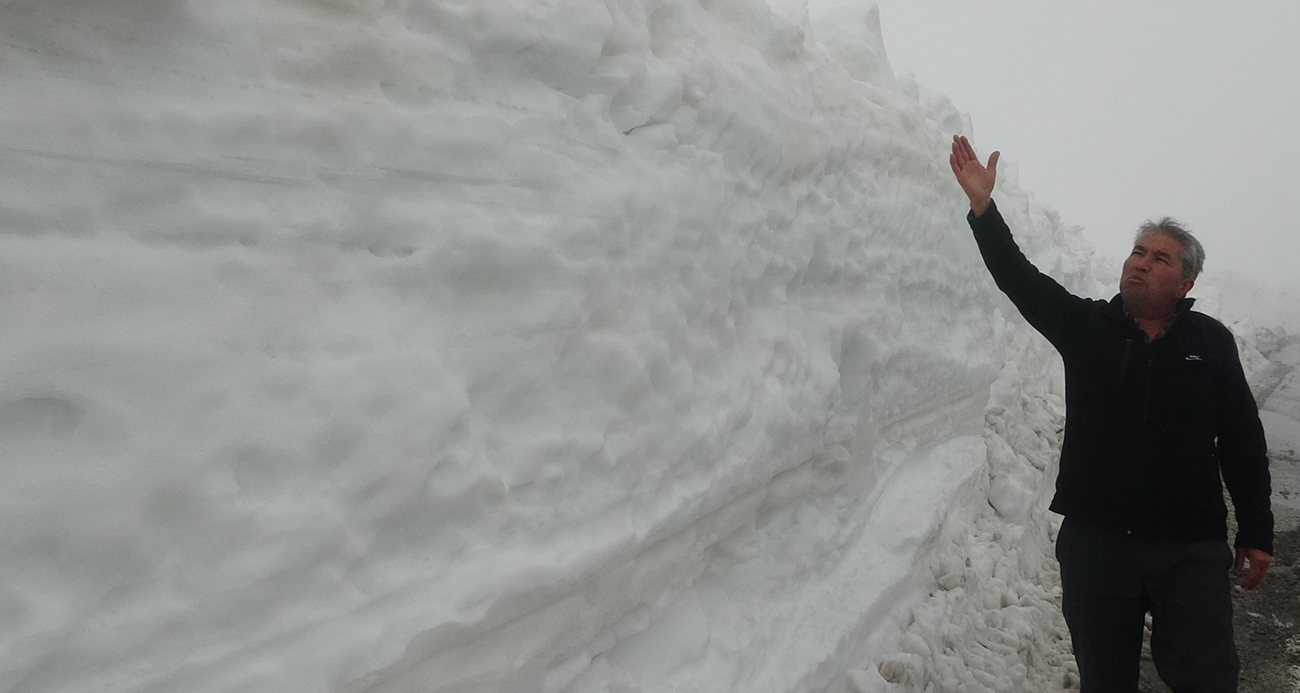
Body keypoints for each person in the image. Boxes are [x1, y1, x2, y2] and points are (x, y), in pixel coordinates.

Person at [949, 135, 1273, 692]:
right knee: (1105, 681)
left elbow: (1242, 438)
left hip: (1189, 547)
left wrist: (1257, 530)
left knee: (1207, 678)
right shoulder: (1088, 328)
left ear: (1186, 283)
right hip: (1096, 545)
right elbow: (1019, 278)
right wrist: (983, 207)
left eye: (1160, 259)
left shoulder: (1211, 342)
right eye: (1138, 253)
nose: (1141, 264)